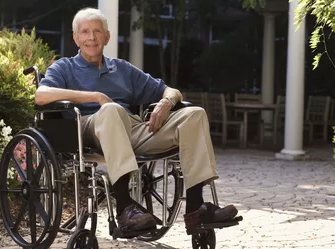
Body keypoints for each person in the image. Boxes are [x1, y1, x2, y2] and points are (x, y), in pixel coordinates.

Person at [35, 7, 238, 234]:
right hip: (88, 130)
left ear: (107, 36)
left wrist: (165, 104)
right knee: (112, 110)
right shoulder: (65, 67)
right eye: (84, 32)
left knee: (194, 114)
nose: (91, 38)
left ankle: (196, 208)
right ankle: (124, 206)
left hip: (131, 128)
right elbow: (41, 95)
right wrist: (94, 96)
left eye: (97, 31)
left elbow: (172, 91)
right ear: (75, 38)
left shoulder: (121, 69)